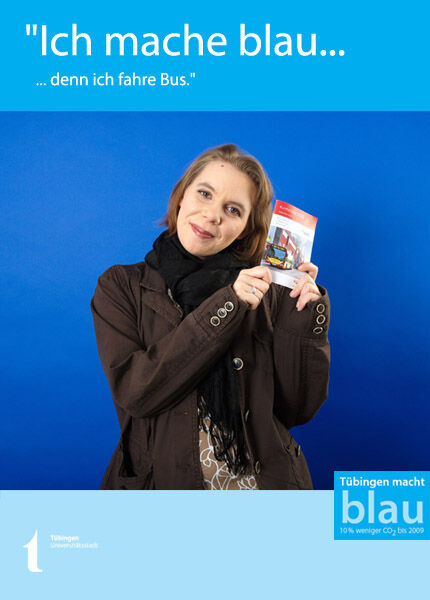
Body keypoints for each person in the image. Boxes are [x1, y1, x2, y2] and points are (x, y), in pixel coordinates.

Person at [91, 143, 330, 490]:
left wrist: (303, 322)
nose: (212, 215)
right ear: (181, 197)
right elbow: (137, 393)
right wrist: (228, 304)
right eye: (204, 194)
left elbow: (298, 410)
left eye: (233, 209)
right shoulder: (121, 285)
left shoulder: (266, 291)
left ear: (245, 228)